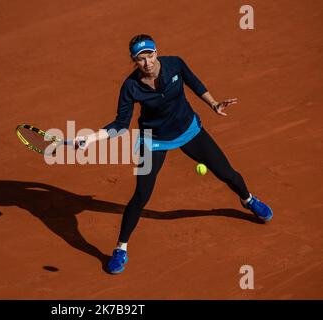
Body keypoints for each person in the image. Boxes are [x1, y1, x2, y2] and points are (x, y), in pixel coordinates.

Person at [74, 34, 273, 274]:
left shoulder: (175, 64)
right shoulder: (131, 87)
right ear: (134, 61)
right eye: (140, 58)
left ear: (157, 52)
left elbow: (194, 83)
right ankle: (121, 249)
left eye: (150, 55)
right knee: (141, 195)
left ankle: (247, 199)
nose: (147, 62)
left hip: (189, 130)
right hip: (154, 140)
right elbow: (120, 124)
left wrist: (213, 104)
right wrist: (90, 138)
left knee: (228, 173)